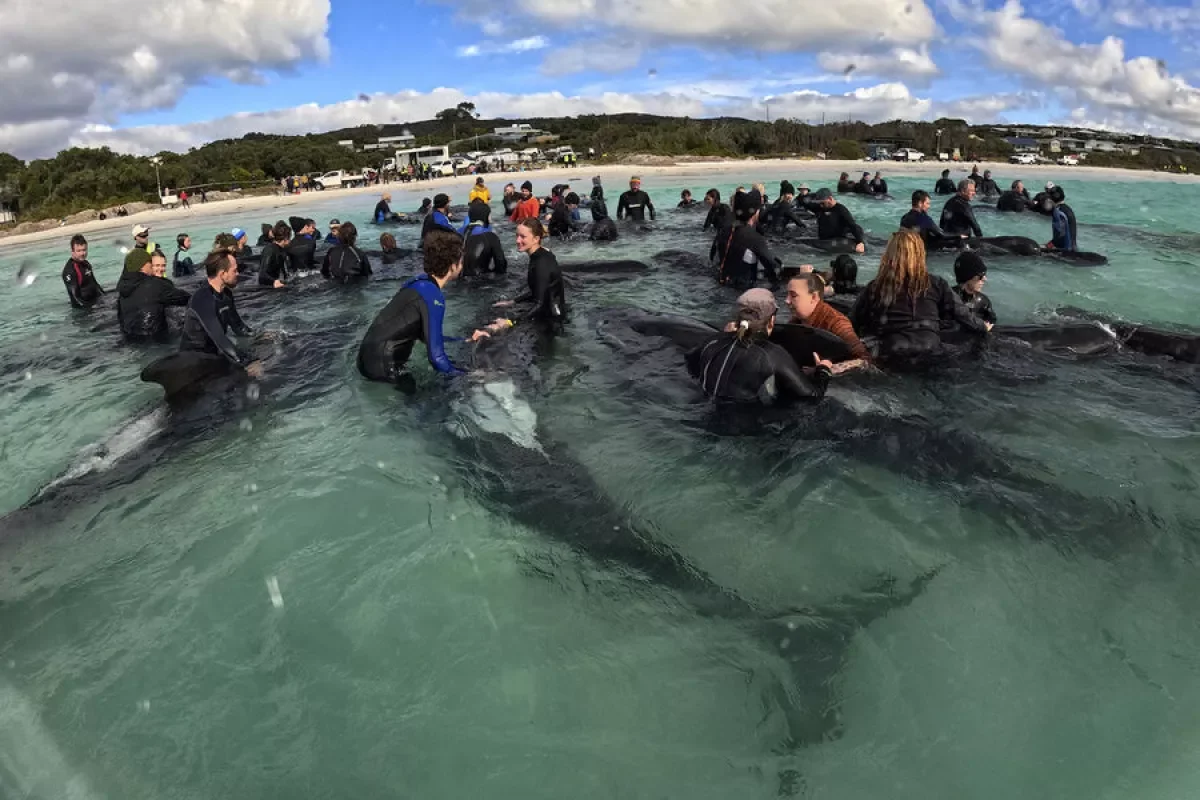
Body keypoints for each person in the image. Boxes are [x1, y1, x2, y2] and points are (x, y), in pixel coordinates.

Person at [357, 229, 497, 382]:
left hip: (366, 361)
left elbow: (427, 337)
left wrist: (464, 340)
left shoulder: (417, 282)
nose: (463, 266)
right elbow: (437, 358)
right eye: (461, 261)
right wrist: (471, 376)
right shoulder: (433, 296)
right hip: (383, 368)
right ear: (452, 266)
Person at [850, 230, 991, 360]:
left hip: (892, 351)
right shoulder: (937, 283)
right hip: (930, 348)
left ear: (888, 256)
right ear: (920, 254)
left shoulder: (875, 287)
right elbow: (963, 314)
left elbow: (851, 324)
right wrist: (983, 326)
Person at [686, 288, 832, 404]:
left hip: (705, 412)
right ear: (771, 321)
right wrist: (824, 370)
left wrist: (724, 337)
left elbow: (691, 363)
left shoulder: (712, 341)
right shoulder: (773, 355)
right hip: (745, 431)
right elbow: (812, 396)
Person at [179, 249, 259, 375]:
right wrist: (248, 362)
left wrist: (261, 336)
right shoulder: (202, 298)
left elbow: (239, 327)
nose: (238, 274)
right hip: (194, 364)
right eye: (234, 270)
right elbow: (220, 339)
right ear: (222, 274)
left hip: (214, 355)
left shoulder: (226, 295)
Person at [785, 273, 870, 369]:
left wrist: (830, 369)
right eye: (787, 295)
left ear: (814, 297)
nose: (786, 300)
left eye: (793, 295)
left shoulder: (837, 323)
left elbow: (865, 360)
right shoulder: (796, 321)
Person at [494, 218, 566, 324]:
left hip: (551, 320)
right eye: (517, 235)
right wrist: (512, 302)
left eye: (523, 237)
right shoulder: (542, 254)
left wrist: (510, 322)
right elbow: (539, 291)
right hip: (552, 311)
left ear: (536, 239)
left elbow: (539, 304)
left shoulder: (541, 263)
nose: (517, 240)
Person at [712, 190, 782, 290]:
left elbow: (712, 256)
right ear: (755, 212)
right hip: (742, 292)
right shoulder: (755, 238)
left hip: (720, 285)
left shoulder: (723, 231)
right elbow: (774, 269)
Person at [117, 250, 190, 340]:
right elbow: (187, 299)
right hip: (156, 341)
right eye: (155, 265)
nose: (160, 269)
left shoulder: (124, 291)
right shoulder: (156, 286)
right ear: (147, 266)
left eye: (163, 265)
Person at [461, 201, 508, 275]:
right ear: (485, 216)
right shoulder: (491, 237)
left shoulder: (458, 233)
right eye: (489, 215)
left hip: (460, 279)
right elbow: (500, 263)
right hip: (482, 282)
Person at [812, 189, 866, 253]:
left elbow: (852, 225)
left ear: (830, 198)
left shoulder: (841, 210)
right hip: (823, 241)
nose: (821, 205)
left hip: (836, 242)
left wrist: (861, 242)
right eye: (819, 203)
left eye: (822, 203)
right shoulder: (821, 208)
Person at [62, 234, 105, 308]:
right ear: (72, 251)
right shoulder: (69, 271)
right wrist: (92, 308)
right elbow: (75, 297)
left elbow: (95, 285)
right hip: (83, 310)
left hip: (95, 301)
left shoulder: (86, 263)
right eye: (78, 251)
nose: (82, 253)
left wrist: (106, 298)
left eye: (84, 250)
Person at [952, 252, 996, 324]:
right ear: (967, 278)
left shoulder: (983, 301)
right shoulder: (947, 299)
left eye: (985, 275)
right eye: (981, 276)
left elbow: (992, 320)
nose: (985, 279)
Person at [257, 221, 291, 288]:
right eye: (290, 237)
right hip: (267, 287)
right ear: (286, 238)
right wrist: (274, 282)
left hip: (277, 282)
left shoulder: (282, 249)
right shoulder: (270, 250)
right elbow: (262, 275)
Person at [1045, 186, 1078, 252]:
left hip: (1064, 251)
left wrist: (1050, 245)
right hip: (1073, 248)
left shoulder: (1058, 211)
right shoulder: (1068, 209)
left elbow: (1060, 234)